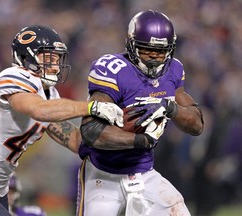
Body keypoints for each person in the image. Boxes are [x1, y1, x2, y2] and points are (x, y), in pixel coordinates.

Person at [0, 25, 125, 216]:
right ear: (26, 57)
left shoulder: (49, 94)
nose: (55, 65)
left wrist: (125, 136)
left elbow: (76, 141)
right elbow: (38, 109)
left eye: (58, 59)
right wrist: (91, 107)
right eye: (49, 58)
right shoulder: (13, 76)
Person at [77, 10, 204, 216]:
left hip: (144, 173)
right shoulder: (114, 69)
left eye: (161, 50)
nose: (154, 56)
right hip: (103, 174)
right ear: (131, 44)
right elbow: (91, 131)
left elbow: (197, 125)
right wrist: (140, 140)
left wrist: (169, 107)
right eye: (147, 49)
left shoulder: (173, 70)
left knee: (179, 211)